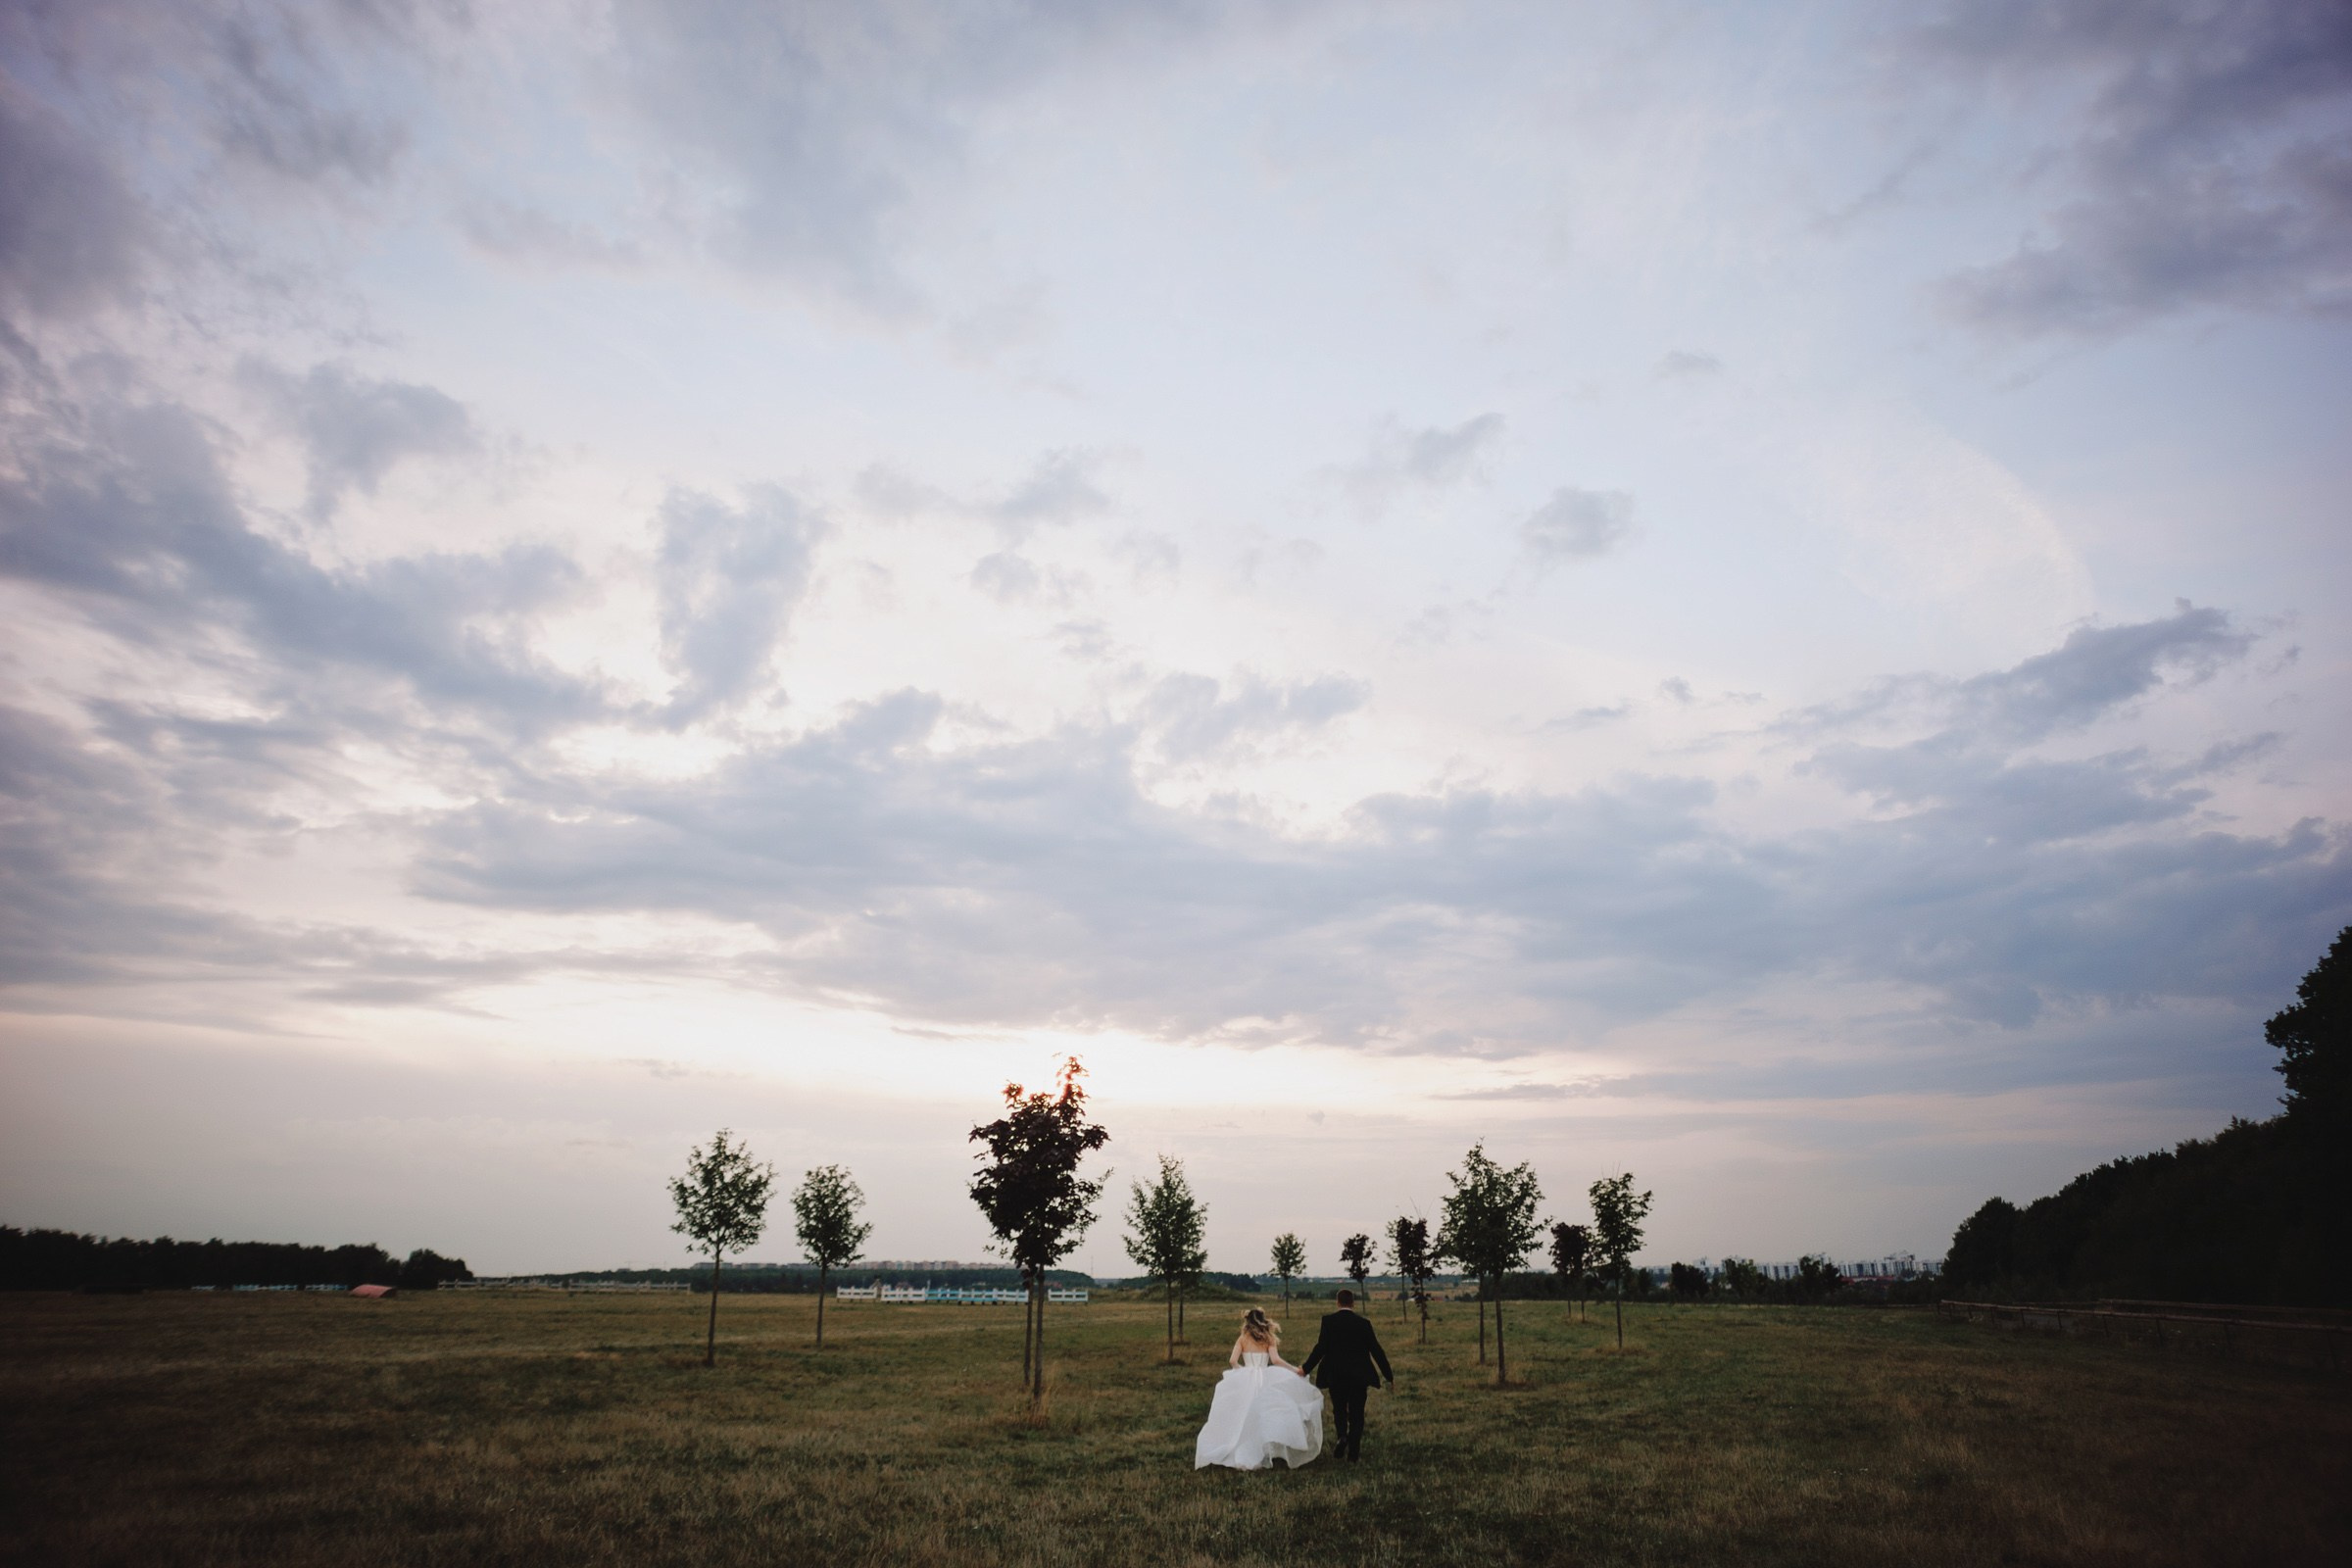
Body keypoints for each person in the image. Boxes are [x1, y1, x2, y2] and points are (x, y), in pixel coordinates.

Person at [1193, 1307, 1324, 1470]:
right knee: (1267, 1413)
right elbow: (1275, 1360)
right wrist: (1294, 1370)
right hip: (1264, 1377)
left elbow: (1232, 1361)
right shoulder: (1268, 1338)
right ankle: (1263, 1449)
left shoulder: (1242, 1339)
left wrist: (1242, 1373)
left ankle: (1240, 1446)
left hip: (1246, 1376)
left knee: (1243, 1414)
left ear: (1247, 1322)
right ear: (1264, 1320)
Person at [1299, 1288, 1393, 1462]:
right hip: (1359, 1375)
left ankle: (1342, 1436)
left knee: (1339, 1409)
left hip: (1336, 1374)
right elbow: (1376, 1350)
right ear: (1353, 1303)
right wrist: (1388, 1375)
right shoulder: (1364, 1324)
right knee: (1357, 1413)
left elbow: (1321, 1348)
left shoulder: (1328, 1322)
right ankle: (1353, 1453)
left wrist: (1305, 1368)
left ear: (1337, 1302)